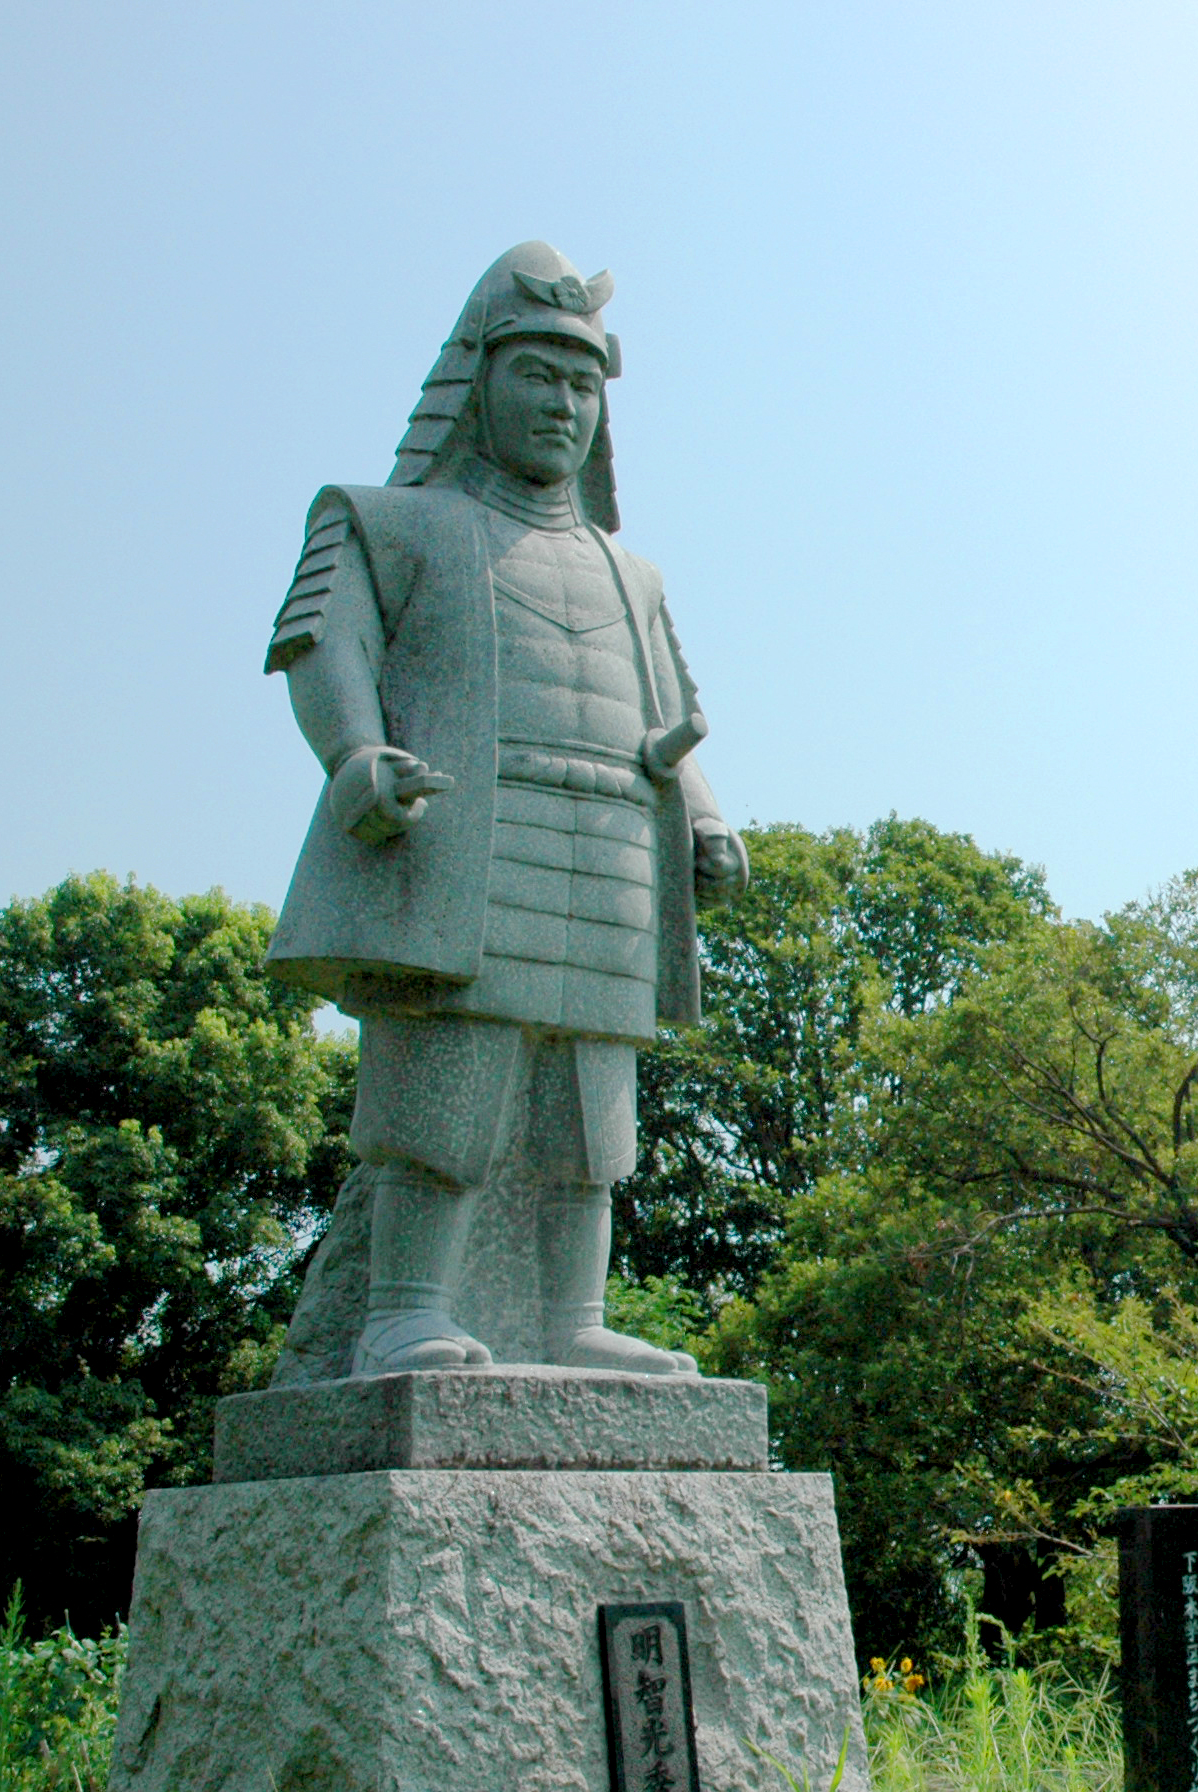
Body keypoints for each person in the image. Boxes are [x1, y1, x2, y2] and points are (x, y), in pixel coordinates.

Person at [261, 242, 743, 1377]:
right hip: (470, 835)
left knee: (594, 1106)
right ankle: (401, 1308)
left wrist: (710, 822)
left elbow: (673, 713)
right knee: (450, 1076)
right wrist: (356, 757)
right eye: (539, 376)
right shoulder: (389, 521)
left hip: (612, 846)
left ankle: (571, 1317)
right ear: (476, 379)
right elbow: (321, 646)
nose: (563, 406)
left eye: (583, 386)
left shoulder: (634, 576)